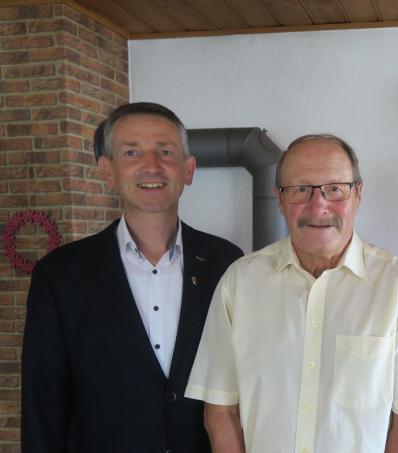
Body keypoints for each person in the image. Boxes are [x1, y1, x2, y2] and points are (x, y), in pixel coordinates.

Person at [187, 134, 398, 453]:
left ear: (357, 194)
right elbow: (220, 412)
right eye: (300, 189)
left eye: (335, 188)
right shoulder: (240, 282)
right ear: (280, 199)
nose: (318, 205)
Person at [21, 102, 243, 452]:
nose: (151, 166)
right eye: (132, 152)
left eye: (165, 151)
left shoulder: (228, 263)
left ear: (188, 169)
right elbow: (43, 404)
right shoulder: (60, 275)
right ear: (107, 170)